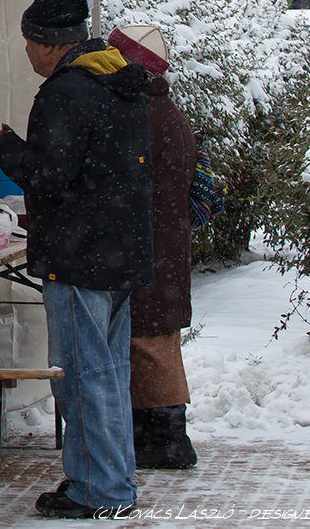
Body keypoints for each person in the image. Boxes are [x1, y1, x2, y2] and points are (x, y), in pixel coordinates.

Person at [0, 0, 153, 519]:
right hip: (120, 251)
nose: (27, 53)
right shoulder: (117, 79)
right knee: (107, 375)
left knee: (84, 379)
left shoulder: (66, 91)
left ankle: (101, 491)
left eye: (28, 42)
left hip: (80, 256)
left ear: (47, 42)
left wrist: (7, 147)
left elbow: (49, 175)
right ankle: (102, 480)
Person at [107, 24, 198, 470]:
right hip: (163, 245)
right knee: (155, 341)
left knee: (151, 344)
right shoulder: (164, 112)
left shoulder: (145, 116)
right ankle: (161, 434)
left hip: (150, 247)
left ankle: (167, 438)